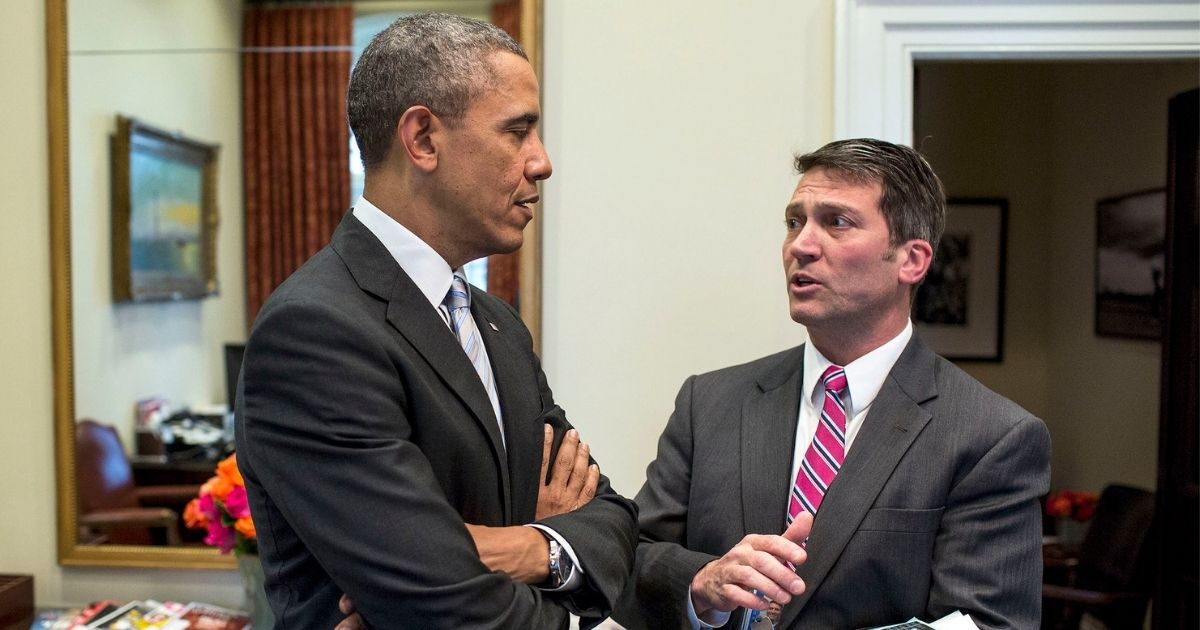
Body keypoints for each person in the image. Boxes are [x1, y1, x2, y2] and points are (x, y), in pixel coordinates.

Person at [234, 13, 637, 629]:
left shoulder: (497, 324)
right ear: (422, 138)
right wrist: (552, 548)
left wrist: (523, 548)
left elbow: (612, 521)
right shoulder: (315, 330)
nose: (542, 162)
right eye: (518, 131)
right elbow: (447, 609)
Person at [613, 138, 1051, 630]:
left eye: (837, 222)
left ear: (912, 260)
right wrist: (701, 585)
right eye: (795, 221)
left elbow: (992, 623)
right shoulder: (709, 402)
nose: (801, 245)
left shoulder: (991, 435)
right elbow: (627, 565)